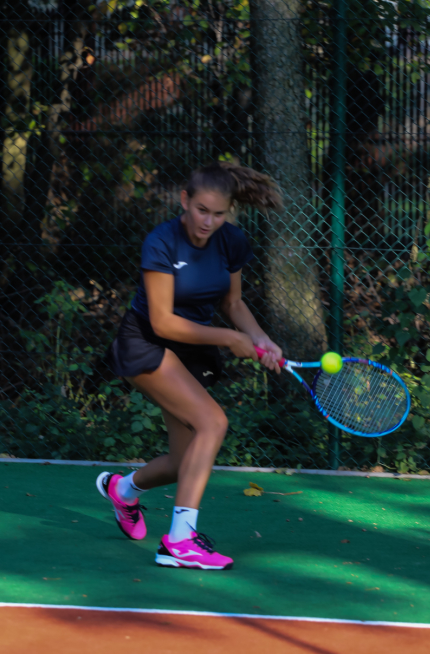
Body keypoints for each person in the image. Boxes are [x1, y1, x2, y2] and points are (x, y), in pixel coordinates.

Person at [97, 161, 284, 570]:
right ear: (185, 200)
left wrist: (259, 338)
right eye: (202, 210)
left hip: (189, 352)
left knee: (186, 464)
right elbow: (162, 321)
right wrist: (231, 339)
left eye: (219, 214)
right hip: (146, 343)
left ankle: (123, 490)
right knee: (213, 423)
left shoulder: (231, 241)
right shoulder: (161, 242)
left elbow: (232, 303)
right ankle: (179, 541)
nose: (208, 222)